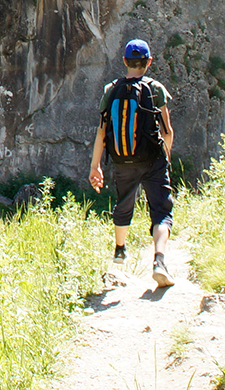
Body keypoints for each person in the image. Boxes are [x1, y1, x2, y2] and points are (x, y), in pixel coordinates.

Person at [89, 37, 176, 287]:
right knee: (161, 211)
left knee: (123, 204)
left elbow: (102, 132)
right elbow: (167, 131)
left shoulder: (111, 89)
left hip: (122, 158)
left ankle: (120, 250)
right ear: (148, 62)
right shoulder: (155, 88)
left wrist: (95, 166)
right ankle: (159, 261)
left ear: (125, 61)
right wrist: (164, 159)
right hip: (153, 160)